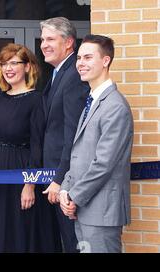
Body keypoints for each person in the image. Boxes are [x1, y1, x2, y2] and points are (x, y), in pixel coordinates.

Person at [0, 43, 61, 252]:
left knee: (22, 231)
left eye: (14, 63)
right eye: (4, 64)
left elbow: (37, 144)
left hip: (22, 173)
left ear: (28, 67)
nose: (8, 68)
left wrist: (30, 184)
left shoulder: (37, 100)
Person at [59, 34, 133, 253]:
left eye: (88, 57)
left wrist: (74, 196)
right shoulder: (91, 102)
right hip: (83, 208)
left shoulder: (115, 106)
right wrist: (65, 189)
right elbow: (79, 154)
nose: (81, 63)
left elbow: (104, 163)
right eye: (79, 57)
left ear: (106, 61)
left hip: (101, 211)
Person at [39, 17, 90, 252]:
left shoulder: (72, 76)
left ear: (69, 42)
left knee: (74, 244)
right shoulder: (58, 73)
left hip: (67, 182)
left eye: (50, 39)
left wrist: (60, 179)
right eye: (42, 40)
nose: (43, 45)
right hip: (56, 179)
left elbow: (73, 136)